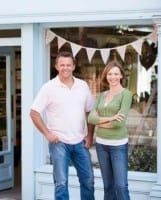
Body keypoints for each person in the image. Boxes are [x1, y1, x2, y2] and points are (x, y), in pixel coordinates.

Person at [30, 51, 95, 200]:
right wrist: (47, 134)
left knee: (88, 180)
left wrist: (90, 135)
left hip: (80, 142)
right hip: (59, 142)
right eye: (62, 65)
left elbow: (90, 112)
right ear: (56, 66)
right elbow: (34, 112)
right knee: (61, 183)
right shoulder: (49, 87)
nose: (65, 68)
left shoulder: (82, 86)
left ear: (73, 66)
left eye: (68, 65)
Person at [88, 60, 132, 200]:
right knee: (108, 186)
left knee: (121, 186)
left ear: (121, 76)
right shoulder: (102, 95)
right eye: (109, 74)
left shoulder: (126, 94)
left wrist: (100, 122)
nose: (112, 77)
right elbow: (90, 119)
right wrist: (111, 118)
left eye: (115, 74)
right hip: (101, 144)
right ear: (106, 76)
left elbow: (119, 124)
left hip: (118, 145)